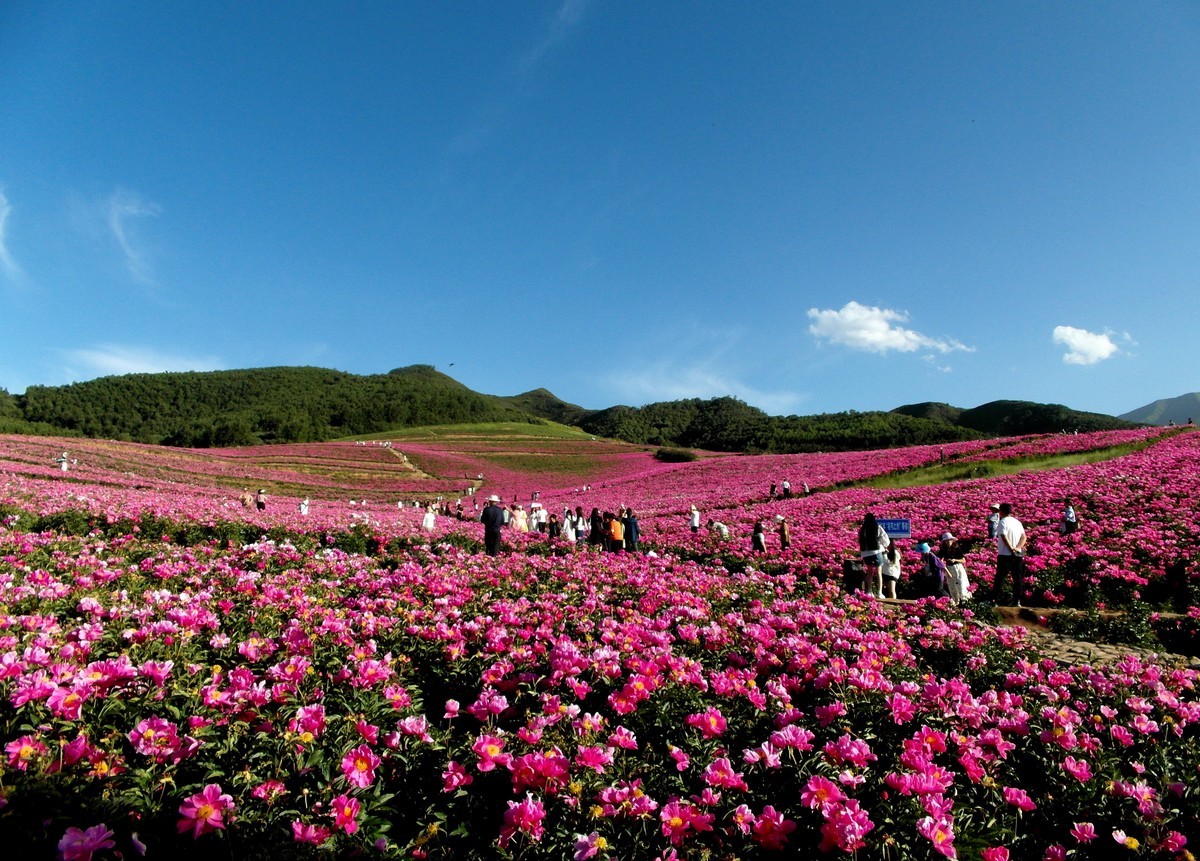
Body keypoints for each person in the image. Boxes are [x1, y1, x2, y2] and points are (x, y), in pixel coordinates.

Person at [993, 503, 1028, 606]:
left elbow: (1003, 536)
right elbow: (1024, 537)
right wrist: (1018, 548)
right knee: (1017, 579)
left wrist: (1011, 549)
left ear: (1001, 511)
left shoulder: (1002, 522)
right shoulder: (1017, 522)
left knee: (1000, 578)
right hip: (1018, 555)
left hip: (1005, 554)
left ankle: (994, 600)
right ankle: (1017, 601)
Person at [857, 513, 891, 599]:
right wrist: (885, 545)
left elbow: (859, 540)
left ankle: (869, 591)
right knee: (878, 572)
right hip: (877, 552)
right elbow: (885, 539)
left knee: (870, 572)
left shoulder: (862, 529)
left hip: (866, 553)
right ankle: (879, 593)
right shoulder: (877, 527)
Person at [938, 531, 972, 603]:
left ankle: (964, 600)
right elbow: (940, 561)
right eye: (946, 541)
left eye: (949, 540)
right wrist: (945, 569)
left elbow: (963, 560)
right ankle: (956, 600)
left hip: (957, 568)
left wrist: (955, 560)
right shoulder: (943, 549)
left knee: (961, 584)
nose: (948, 542)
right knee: (952, 585)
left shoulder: (956, 548)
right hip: (949, 568)